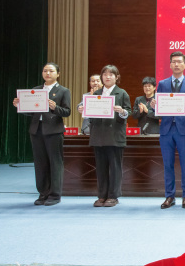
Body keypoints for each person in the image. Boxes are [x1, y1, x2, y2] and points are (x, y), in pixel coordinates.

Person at [12, 63, 71, 206]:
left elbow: (67, 112)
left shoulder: (63, 91)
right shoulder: (35, 90)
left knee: (55, 163)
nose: (48, 73)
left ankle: (55, 195)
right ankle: (43, 193)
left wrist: (55, 107)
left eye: (51, 71)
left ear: (58, 74)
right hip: (36, 130)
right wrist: (20, 105)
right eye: (45, 71)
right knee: (40, 164)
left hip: (54, 131)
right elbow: (31, 112)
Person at [151, 51, 185, 209]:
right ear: (170, 65)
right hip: (166, 129)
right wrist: (154, 106)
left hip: (183, 129)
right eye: (173, 62)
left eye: (179, 62)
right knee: (167, 164)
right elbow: (158, 107)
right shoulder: (162, 84)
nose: (176, 64)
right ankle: (169, 196)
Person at [78, 65, 131, 208]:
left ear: (116, 77)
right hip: (98, 135)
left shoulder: (122, 93)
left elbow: (128, 112)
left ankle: (113, 196)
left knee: (115, 168)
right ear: (102, 77)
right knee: (101, 168)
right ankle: (102, 195)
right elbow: (89, 115)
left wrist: (122, 111)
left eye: (111, 74)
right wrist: (83, 109)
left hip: (114, 136)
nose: (108, 77)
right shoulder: (95, 94)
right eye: (105, 74)